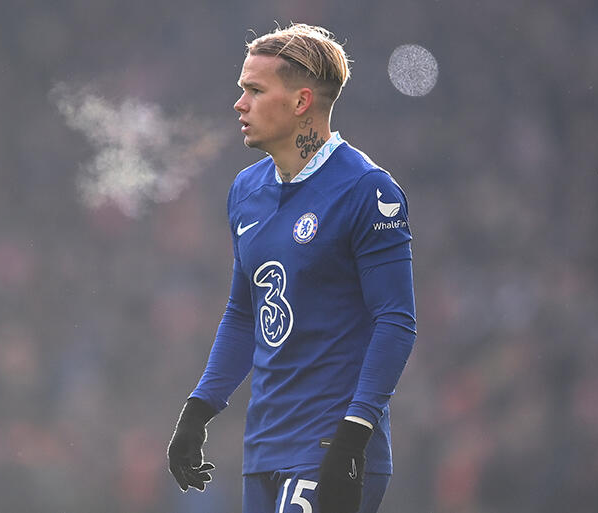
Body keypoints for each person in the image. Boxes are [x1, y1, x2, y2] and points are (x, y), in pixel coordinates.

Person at [167, 23, 417, 513]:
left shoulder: (368, 190)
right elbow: (244, 314)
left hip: (331, 447)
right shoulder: (246, 191)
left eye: (255, 90)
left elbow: (396, 320)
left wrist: (355, 433)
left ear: (302, 102)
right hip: (264, 447)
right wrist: (198, 409)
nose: (239, 104)